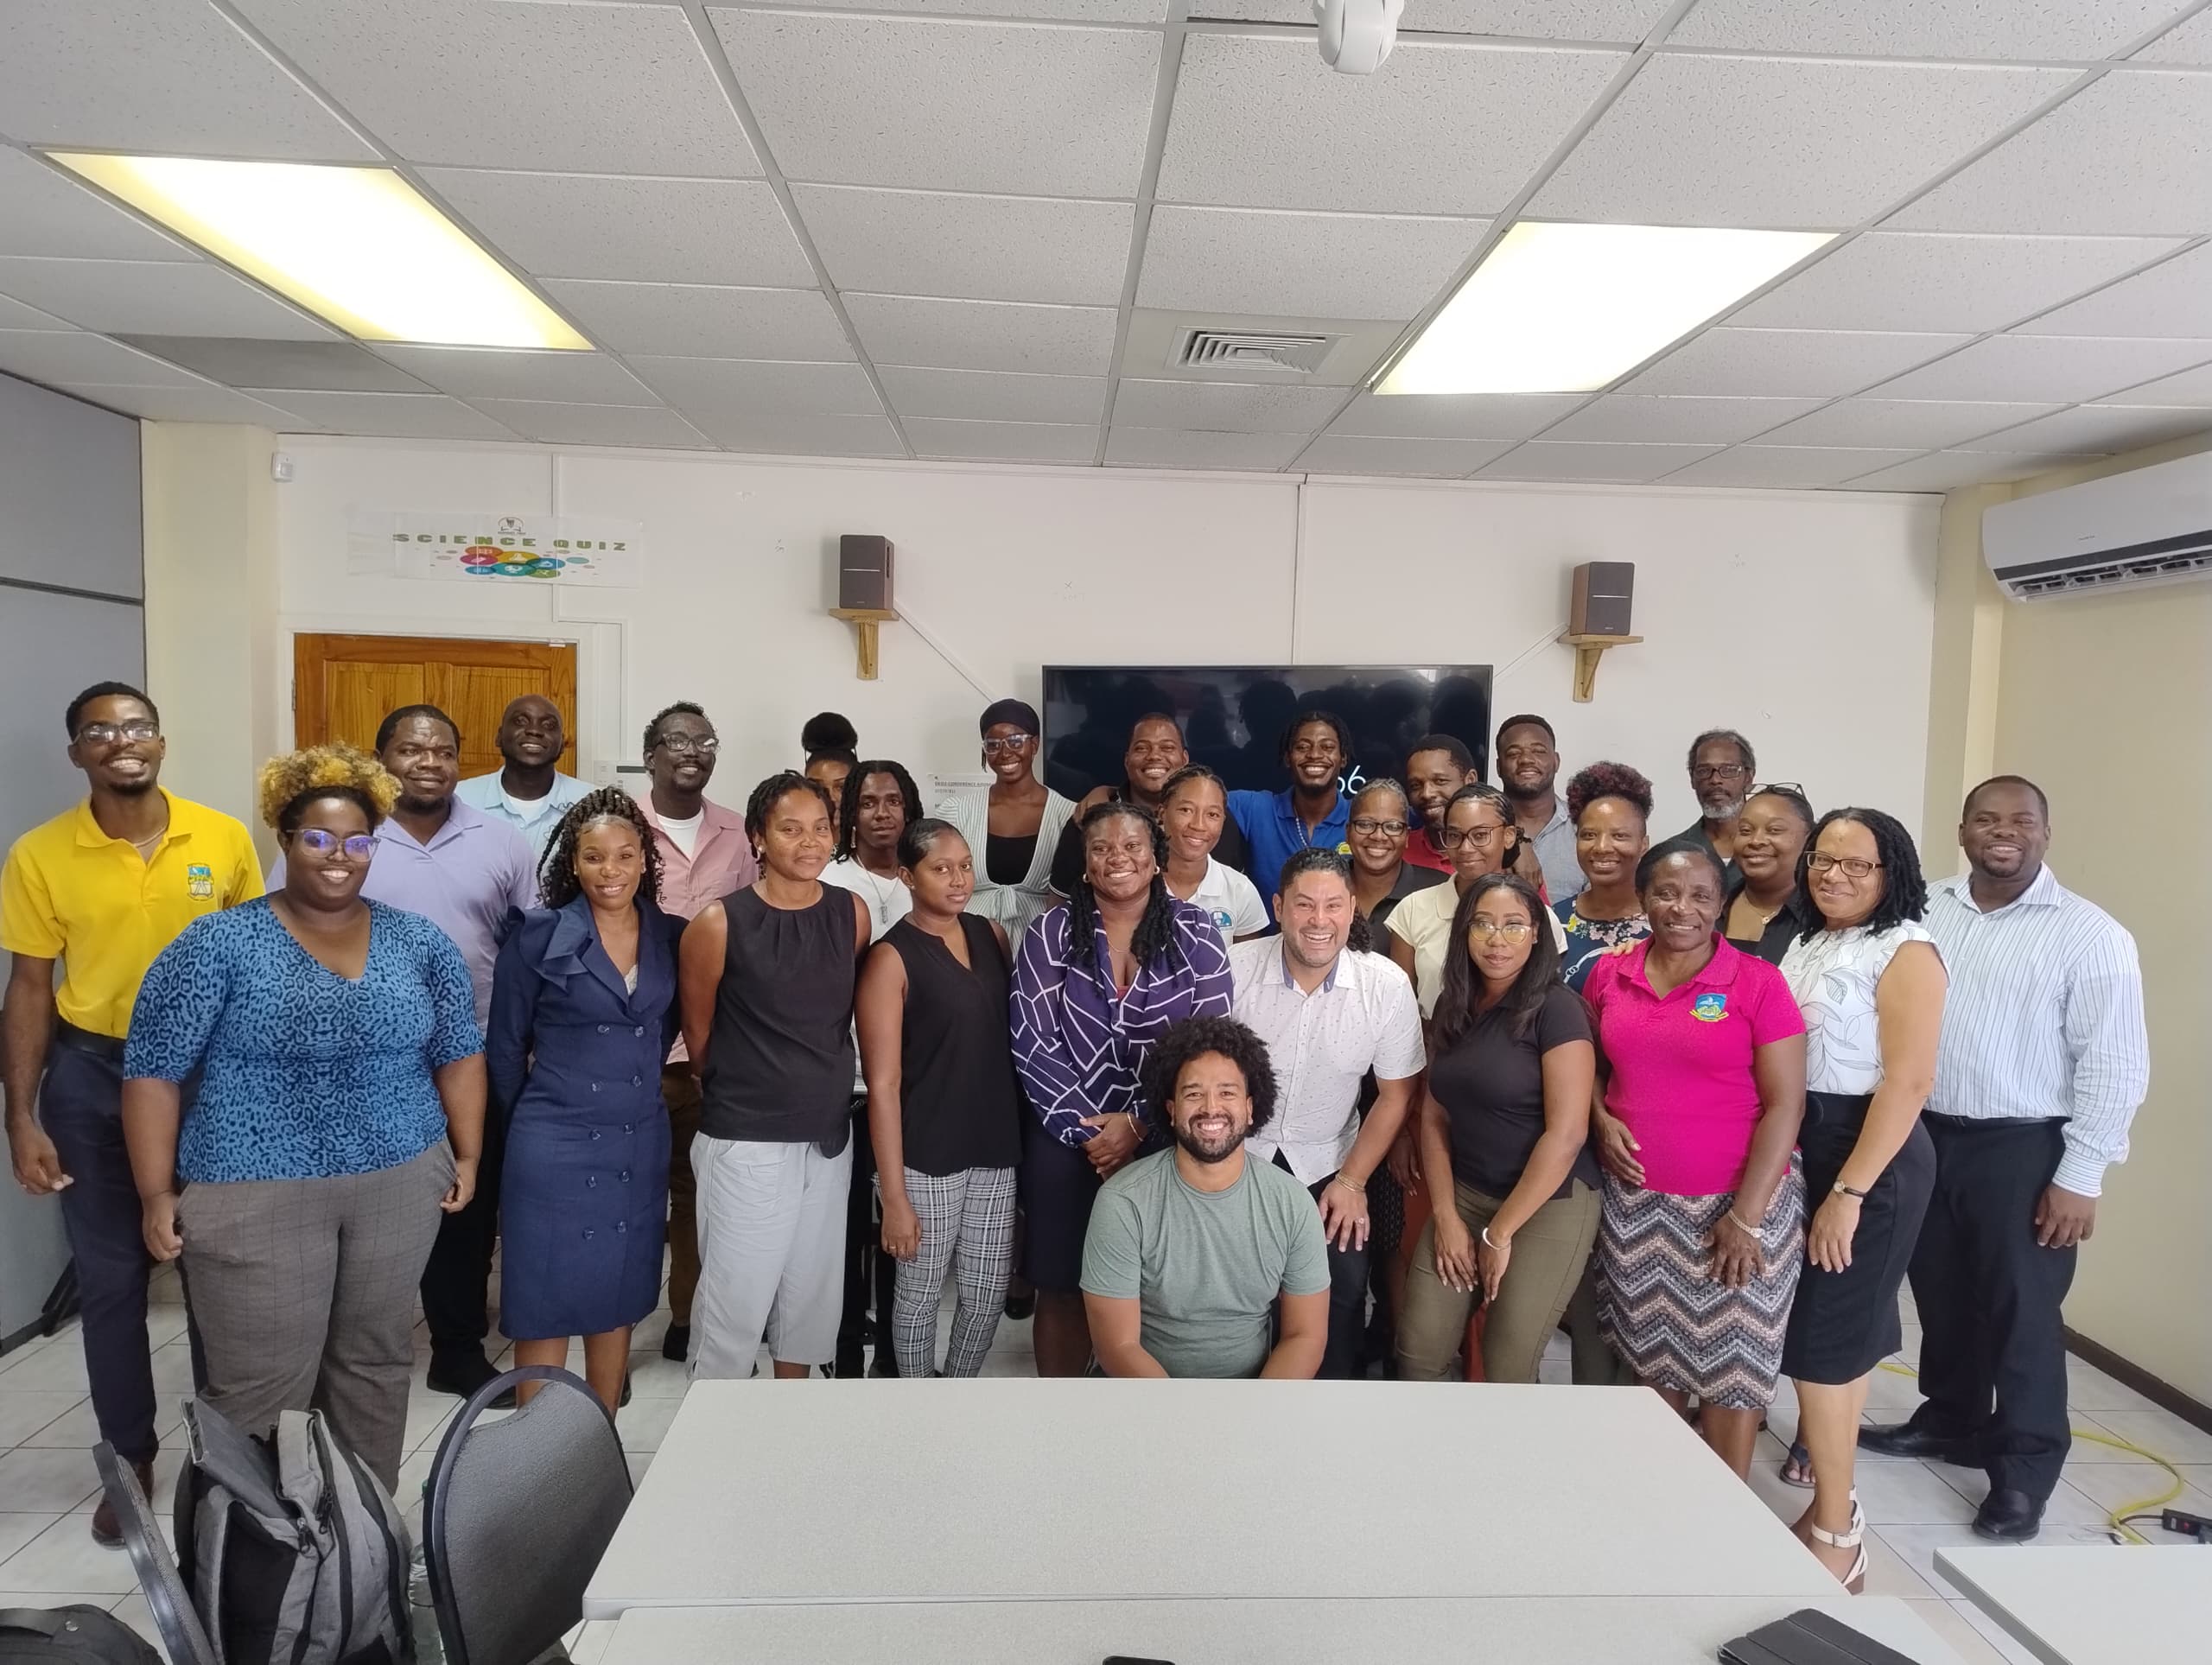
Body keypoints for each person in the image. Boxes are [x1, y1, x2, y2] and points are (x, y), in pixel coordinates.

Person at [119, 746, 483, 1491]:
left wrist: (467, 1153)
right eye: (317, 838)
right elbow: (152, 1072)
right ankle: (249, 1580)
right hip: (254, 1189)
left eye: (357, 841)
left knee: (374, 1365)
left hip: (399, 1177)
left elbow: (458, 1053)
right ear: (284, 841)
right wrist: (157, 1194)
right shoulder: (218, 943)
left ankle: (361, 1551)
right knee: (259, 1388)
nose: (339, 857)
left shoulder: (419, 943)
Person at [2, 682, 259, 1544]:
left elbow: (257, 966)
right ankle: (129, 1454)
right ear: (77, 751)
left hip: (205, 1078)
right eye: (101, 731)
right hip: (90, 1074)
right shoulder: (40, 854)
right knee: (111, 1281)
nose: (123, 741)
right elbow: (30, 988)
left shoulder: (221, 838)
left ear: (161, 739)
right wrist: (21, 1115)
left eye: (138, 726)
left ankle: (229, 1451)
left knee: (216, 1274)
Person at [1860, 777, 2149, 1544]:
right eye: (1986, 819)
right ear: (1962, 831)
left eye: (2021, 820)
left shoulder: (2093, 935)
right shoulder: (1924, 910)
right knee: (1943, 1295)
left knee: (2021, 1310)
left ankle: (2024, 1469)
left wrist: (2079, 1175)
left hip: (2023, 1146)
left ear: (2046, 833)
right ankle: (1953, 1418)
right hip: (1926, 1134)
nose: (2003, 832)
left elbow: (2114, 1067)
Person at [289, 705, 531, 1401]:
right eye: (410, 748)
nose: (428, 760)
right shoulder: (342, 835)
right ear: (380, 757)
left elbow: (528, 944)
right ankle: (344, 1348)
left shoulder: (502, 840)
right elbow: (291, 925)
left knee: (464, 1204)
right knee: (359, 1206)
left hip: (476, 1053)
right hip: (359, 1062)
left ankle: (456, 1347)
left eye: (443, 749)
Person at [1582, 841, 1808, 1479]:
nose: (1682, 907)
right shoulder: (1609, 973)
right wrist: (1600, 1118)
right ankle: (1664, 1498)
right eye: (1666, 892)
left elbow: (1786, 1105)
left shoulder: (1758, 982)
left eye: (1702, 895)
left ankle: (1726, 1514)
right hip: (1638, 1208)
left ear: (1721, 903)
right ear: (1644, 897)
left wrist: (1746, 1217)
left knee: (1733, 1370)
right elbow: (1590, 1071)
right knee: (1652, 1359)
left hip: (1736, 1209)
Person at [1774, 808, 1945, 1587]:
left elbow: (1908, 1082)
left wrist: (1847, 1191)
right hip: (1811, 1145)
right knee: (1830, 1343)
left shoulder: (1907, 950)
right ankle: (1829, 1504)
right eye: (1823, 859)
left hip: (1867, 1157)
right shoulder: (1810, 941)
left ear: (1891, 873)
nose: (1834, 873)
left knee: (1823, 1345)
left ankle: (1841, 1532)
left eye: (1857, 864)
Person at [1010, 801, 1233, 1376]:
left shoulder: (1198, 932)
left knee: (1154, 1283)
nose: (1118, 858)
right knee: (1061, 1280)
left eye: (1133, 846)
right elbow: (1032, 1039)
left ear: (1156, 859)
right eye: (1102, 848)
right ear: (1083, 864)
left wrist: (1136, 1122)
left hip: (1162, 1136)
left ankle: (1141, 1415)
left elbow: (1208, 1040)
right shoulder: (1050, 932)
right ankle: (1063, 1418)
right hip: (1065, 1137)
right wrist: (1090, 1132)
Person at [486, 788, 684, 1413]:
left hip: (637, 1137)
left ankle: (599, 1449)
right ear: (573, 862)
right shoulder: (539, 934)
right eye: (595, 857)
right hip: (552, 1144)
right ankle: (535, 1459)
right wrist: (537, 1119)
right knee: (543, 1299)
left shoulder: (671, 935)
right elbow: (504, 1046)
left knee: (618, 1296)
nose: (610, 870)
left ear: (644, 861)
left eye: (625, 856)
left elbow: (668, 1027)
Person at [678, 772, 870, 1380]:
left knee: (811, 1299)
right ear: (758, 837)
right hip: (748, 1137)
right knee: (735, 1303)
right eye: (790, 828)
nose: (808, 842)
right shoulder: (718, 922)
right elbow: (700, 1037)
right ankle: (716, 1438)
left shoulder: (851, 912)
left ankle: (787, 1429)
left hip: (826, 1133)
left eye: (820, 827)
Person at [1397, 873, 1601, 1384]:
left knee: (1506, 1360)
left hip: (1547, 1204)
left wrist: (1499, 1232)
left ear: (1538, 934)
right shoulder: (1454, 1003)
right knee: (1418, 1353)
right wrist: (1445, 1216)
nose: (1497, 938)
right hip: (1466, 1194)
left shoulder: (1559, 1010)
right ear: (1464, 932)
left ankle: (1507, 1462)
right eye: (1483, 924)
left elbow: (1568, 1132)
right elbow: (1435, 1115)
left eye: (1514, 925)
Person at [1228, 850, 1424, 1378]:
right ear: (1278, 906)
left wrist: (1353, 1182)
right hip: (1238, 1162)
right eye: (1304, 905)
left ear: (1353, 909)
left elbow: (1396, 1094)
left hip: (1331, 1167)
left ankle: (1329, 1425)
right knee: (1238, 1302)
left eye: (1333, 906)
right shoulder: (1234, 970)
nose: (1319, 921)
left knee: (1340, 1295)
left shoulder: (1383, 984)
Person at [856, 820, 1024, 1377]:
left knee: (985, 1294)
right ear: (907, 876)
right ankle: (916, 1402)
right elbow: (882, 1083)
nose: (958, 879)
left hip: (994, 1144)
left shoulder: (990, 934)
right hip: (925, 1153)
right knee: (921, 1290)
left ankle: (957, 1392)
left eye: (965, 865)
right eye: (940, 868)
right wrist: (895, 1197)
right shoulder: (890, 959)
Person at [1081, 1015, 1329, 1379]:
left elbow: (1305, 1336)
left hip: (1255, 1397)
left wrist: (1252, 1419)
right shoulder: (1123, 1202)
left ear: (1249, 1108)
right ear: (1172, 1110)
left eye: (1227, 1092)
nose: (1211, 1107)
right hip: (1143, 1397)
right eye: (1193, 1093)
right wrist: (1184, 1427)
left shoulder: (1292, 1203)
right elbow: (1117, 1346)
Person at [634, 700, 760, 1366]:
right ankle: (615, 1326)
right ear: (650, 752)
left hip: (708, 1052)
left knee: (695, 1196)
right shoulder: (619, 827)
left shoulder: (739, 834)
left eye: (704, 739)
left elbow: (749, 938)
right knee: (628, 1192)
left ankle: (685, 1315)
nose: (692, 750)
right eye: (676, 740)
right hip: (634, 1051)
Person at [819, 758, 923, 1376]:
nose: (881, 812)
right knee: (847, 1227)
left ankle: (892, 1353)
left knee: (901, 1226)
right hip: (846, 1085)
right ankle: (840, 1351)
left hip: (914, 1086)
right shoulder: (832, 881)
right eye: (867, 801)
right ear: (849, 813)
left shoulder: (927, 879)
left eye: (892, 800)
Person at [1387, 784, 1566, 1018]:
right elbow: (1401, 1010)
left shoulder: (1537, 916)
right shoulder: (1413, 910)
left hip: (1516, 1048)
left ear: (1509, 836)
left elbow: (1550, 1009)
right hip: (1434, 1046)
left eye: (1480, 835)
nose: (1466, 848)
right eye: (1454, 836)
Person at [1047, 713, 1250, 895]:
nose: (1154, 755)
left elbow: (1234, 894)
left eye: (1167, 748)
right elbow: (1060, 903)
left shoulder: (1214, 823)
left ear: (1184, 758)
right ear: (1127, 761)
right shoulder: (1091, 818)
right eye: (1142, 748)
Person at [935, 698, 1074, 943]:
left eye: (1015, 741)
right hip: (969, 943)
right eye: (993, 744)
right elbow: (938, 883)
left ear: (1035, 745)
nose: (1005, 752)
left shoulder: (1068, 816)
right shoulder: (957, 812)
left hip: (1043, 945)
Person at [1226, 709, 1354, 922]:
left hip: (1339, 950)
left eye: (1328, 747)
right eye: (1302, 747)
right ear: (1287, 758)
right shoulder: (1257, 808)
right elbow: (1193, 797)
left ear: (1343, 758)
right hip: (1264, 949)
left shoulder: (1362, 817)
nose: (1314, 754)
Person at [454, 693, 592, 860]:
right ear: (499, 737)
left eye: (548, 725)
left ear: (562, 744)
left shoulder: (592, 804)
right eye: (520, 721)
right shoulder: (459, 799)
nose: (534, 731)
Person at [1554, 762, 1653, 993]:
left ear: (1643, 845)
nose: (1601, 847)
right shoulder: (1554, 922)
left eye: (1619, 835)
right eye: (1589, 835)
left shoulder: (1669, 922)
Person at [1158, 765, 1268, 947]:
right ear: (1162, 813)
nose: (1198, 825)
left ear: (1223, 821)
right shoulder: (1134, 884)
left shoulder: (1240, 890)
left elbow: (1246, 966)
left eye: (1212, 814)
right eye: (1186, 810)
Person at [1724, 785, 1817, 964]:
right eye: (1745, 831)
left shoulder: (1822, 916)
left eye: (1774, 830)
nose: (1756, 841)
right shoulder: (1712, 907)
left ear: (1809, 840)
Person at [1497, 715, 1582, 902]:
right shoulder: (1480, 828)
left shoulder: (1584, 826)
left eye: (1539, 751)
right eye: (1513, 753)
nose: (1526, 759)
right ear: (1498, 767)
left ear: (1556, 761)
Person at [1344, 778, 1446, 929]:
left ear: (1406, 837)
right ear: (1348, 833)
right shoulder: (1324, 883)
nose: (1378, 836)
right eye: (1365, 824)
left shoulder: (1438, 890)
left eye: (1392, 827)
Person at [1675, 729, 1757, 869]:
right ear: (1692, 779)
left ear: (1748, 777)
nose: (1715, 780)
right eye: (1704, 771)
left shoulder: (1773, 847)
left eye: (1729, 770)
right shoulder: (1674, 853)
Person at [1402, 733, 1481, 875]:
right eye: (1415, 785)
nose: (1426, 793)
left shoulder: (1498, 852)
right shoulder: (1399, 850)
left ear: (1470, 780)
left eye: (1440, 781)